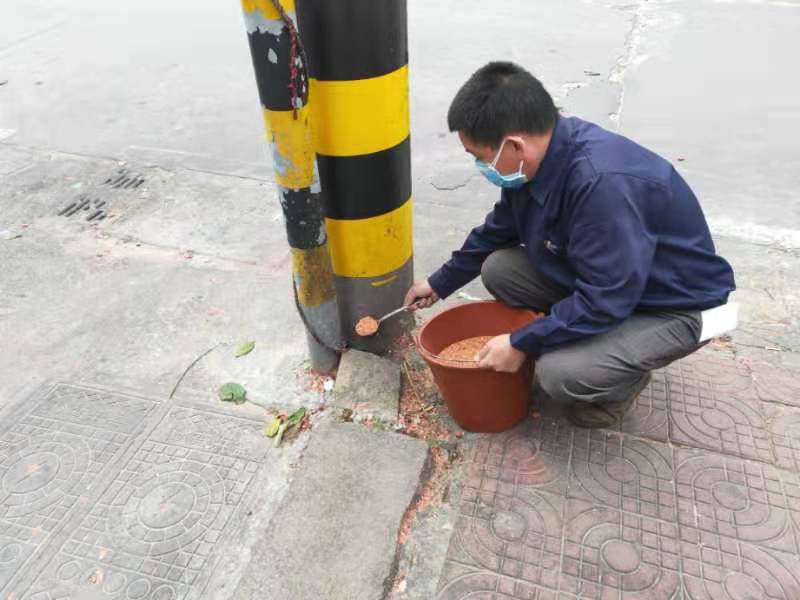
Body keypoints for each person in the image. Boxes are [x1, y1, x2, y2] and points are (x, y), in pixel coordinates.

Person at [404, 61, 736, 428]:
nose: (482, 168)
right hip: (620, 284)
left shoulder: (602, 187)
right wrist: (439, 283)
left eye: (480, 158)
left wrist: (521, 342)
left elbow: (607, 299)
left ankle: (619, 382)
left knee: (560, 373)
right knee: (499, 270)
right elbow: (497, 231)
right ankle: (590, 340)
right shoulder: (534, 163)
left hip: (677, 307)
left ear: (514, 145)